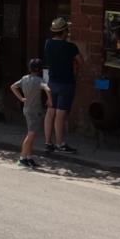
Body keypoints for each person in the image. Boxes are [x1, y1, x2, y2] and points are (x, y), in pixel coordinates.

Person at [43, 17, 83, 154]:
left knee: (50, 112)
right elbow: (80, 61)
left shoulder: (48, 44)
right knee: (60, 114)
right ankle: (60, 143)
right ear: (64, 31)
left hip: (52, 82)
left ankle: (48, 142)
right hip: (66, 83)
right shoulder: (71, 47)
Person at [10, 58, 52, 168]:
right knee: (31, 135)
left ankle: (29, 158)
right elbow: (47, 89)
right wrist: (50, 100)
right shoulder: (39, 80)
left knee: (31, 135)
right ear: (40, 69)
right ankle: (22, 158)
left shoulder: (24, 78)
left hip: (27, 109)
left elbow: (13, 87)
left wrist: (21, 98)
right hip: (35, 111)